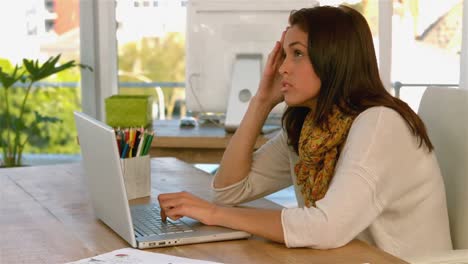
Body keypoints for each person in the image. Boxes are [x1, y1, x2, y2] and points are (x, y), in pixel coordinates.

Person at [158, 5, 452, 259]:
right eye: (284, 55)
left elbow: (326, 227)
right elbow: (229, 191)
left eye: (297, 54)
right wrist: (261, 101)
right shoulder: (309, 128)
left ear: (333, 59)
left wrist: (214, 215)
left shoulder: (379, 124)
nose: (283, 68)